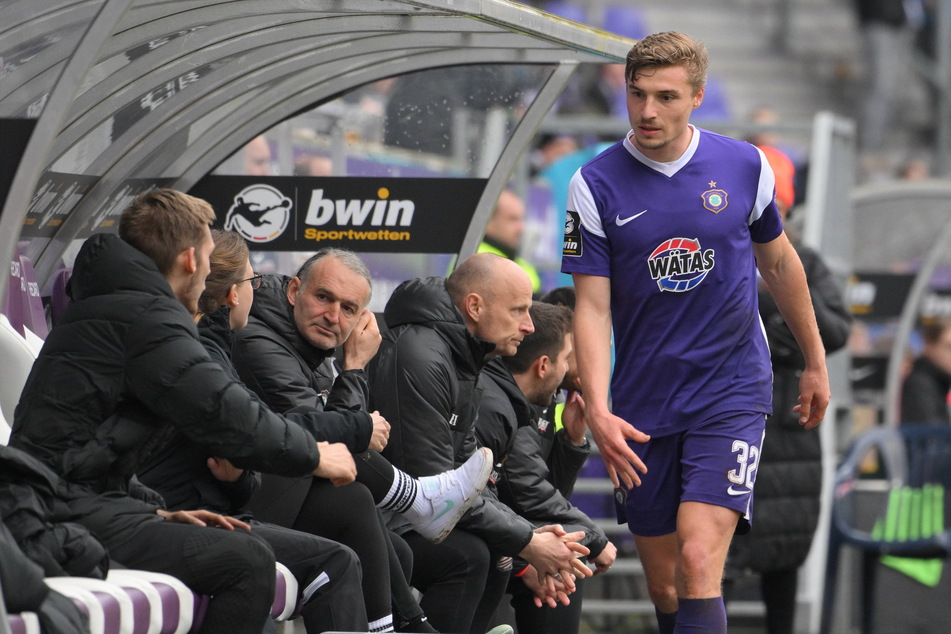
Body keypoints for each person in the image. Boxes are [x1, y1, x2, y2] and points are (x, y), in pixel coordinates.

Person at [561, 32, 830, 634]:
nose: (649, 111)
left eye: (666, 96)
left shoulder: (744, 164)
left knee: (698, 558)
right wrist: (600, 410)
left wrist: (814, 360)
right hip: (644, 404)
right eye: (637, 95)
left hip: (730, 391)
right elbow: (592, 309)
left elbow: (780, 264)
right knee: (667, 585)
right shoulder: (595, 184)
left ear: (698, 98)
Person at [9, 188, 363, 634]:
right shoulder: (148, 316)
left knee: (241, 544)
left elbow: (89, 447)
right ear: (192, 260)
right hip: (54, 511)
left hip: (71, 501)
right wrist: (315, 453)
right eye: (211, 259)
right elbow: (225, 414)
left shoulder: (115, 305)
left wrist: (151, 512)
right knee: (247, 560)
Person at [229, 246, 495, 632]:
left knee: (399, 552)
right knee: (355, 502)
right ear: (293, 292)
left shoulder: (309, 347)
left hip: (283, 489)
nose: (333, 316)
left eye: (349, 309)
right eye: (323, 298)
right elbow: (324, 432)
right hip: (243, 501)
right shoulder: (257, 340)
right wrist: (354, 370)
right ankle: (414, 505)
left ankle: (411, 617)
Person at [369, 253, 592, 633]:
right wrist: (529, 543)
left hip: (410, 512)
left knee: (497, 552)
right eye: (519, 310)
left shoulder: (465, 357)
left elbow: (472, 477)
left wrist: (528, 539)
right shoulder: (423, 355)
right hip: (387, 514)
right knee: (471, 555)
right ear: (474, 306)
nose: (527, 325)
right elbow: (436, 488)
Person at [725, 149, 852, 634]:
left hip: (791, 430)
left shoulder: (807, 261)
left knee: (783, 560)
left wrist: (773, 317)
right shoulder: (717, 248)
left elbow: (834, 328)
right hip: (736, 419)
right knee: (718, 554)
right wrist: (786, 330)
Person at [477, 301, 617, 633]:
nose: (598, 362)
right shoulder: (503, 399)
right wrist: (595, 540)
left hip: (501, 529)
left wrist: (571, 441)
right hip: (479, 537)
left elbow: (544, 491)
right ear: (544, 364)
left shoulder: (545, 399)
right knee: (562, 559)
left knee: (562, 557)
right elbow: (528, 492)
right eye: (579, 351)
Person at [477, 189, 541, 296]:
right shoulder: (478, 260)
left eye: (521, 219)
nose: (521, 228)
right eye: (512, 219)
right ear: (488, 221)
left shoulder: (517, 261)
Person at [901, 318, 951, 425]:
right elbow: (932, 436)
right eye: (949, 347)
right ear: (929, 347)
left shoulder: (941, 381)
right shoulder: (918, 384)